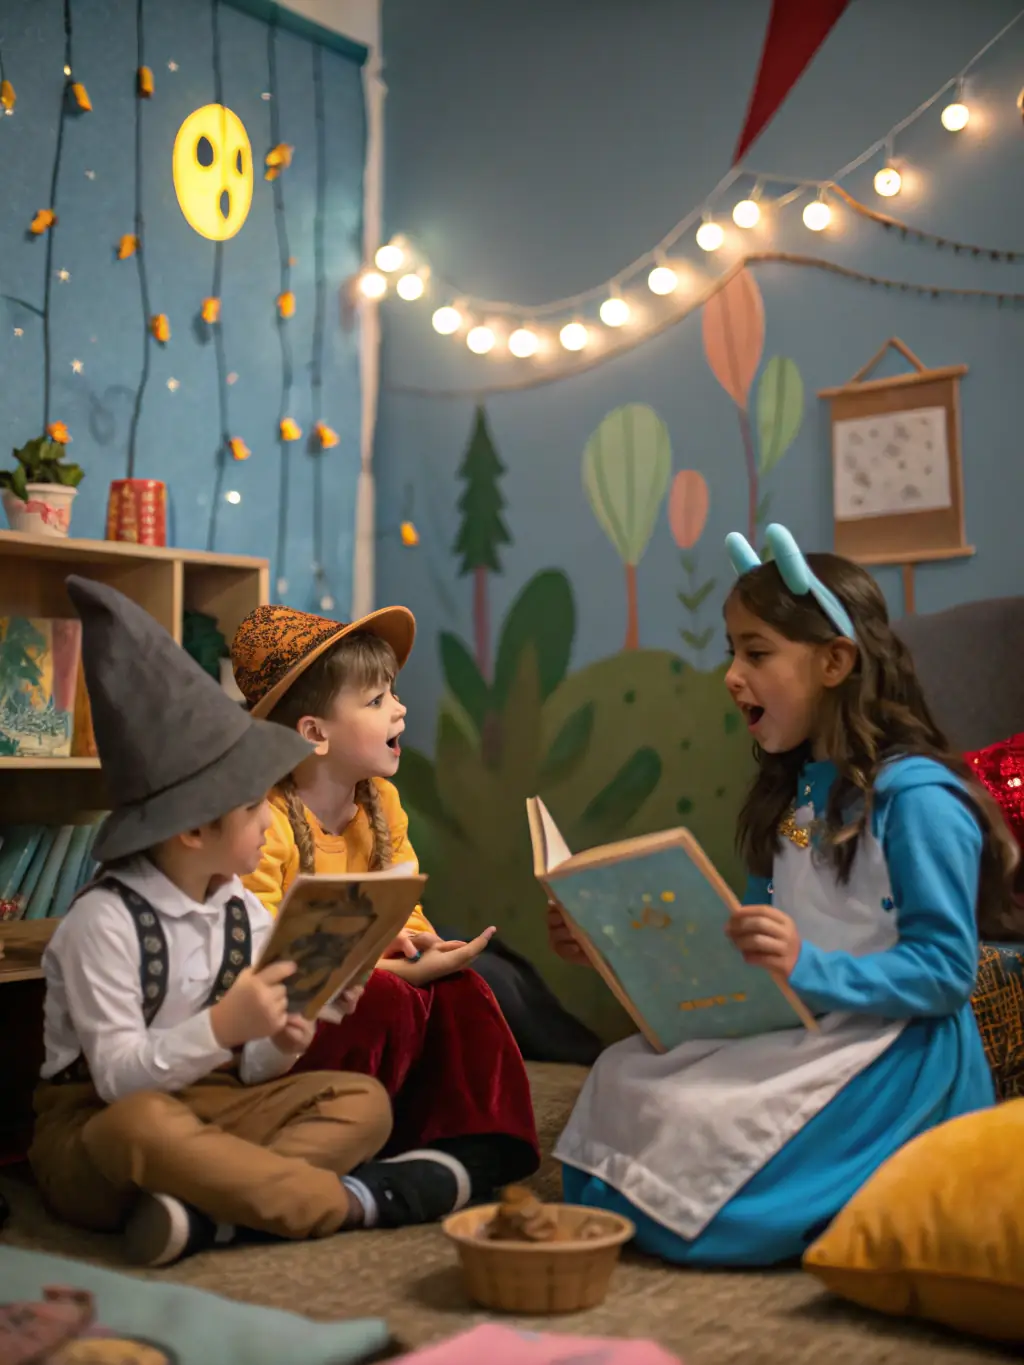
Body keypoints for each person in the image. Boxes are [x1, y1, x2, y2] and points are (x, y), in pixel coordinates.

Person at [550, 523, 1018, 1266]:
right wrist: (616, 948)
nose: (733, 675)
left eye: (757, 652)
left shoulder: (919, 798)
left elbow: (944, 970)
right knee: (622, 1071)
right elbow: (742, 947)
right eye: (731, 651)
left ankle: (719, 1211)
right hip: (800, 1021)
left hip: (891, 1043)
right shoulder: (789, 800)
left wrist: (808, 966)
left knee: (701, 1112)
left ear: (835, 660)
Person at [29, 577, 398, 1268]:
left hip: (216, 1103)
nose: (270, 819)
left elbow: (255, 1070)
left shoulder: (242, 907)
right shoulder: (103, 922)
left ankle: (202, 1212)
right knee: (143, 1125)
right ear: (196, 828)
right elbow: (116, 1080)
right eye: (256, 807)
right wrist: (227, 1024)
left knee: (361, 1101)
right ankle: (344, 1202)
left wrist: (291, 1028)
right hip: (98, 1127)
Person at [231, 603, 539, 1228]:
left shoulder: (381, 802)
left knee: (468, 988)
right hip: (289, 1010)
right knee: (388, 1003)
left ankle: (478, 1141)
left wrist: (420, 945)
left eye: (392, 694)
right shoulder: (265, 819)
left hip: (364, 972)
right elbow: (259, 956)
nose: (399, 710)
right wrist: (386, 974)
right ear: (315, 732)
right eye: (375, 701)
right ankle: (361, 1145)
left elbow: (404, 901)